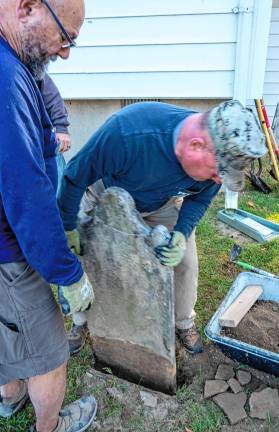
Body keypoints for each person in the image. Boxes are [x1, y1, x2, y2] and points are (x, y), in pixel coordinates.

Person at [58, 100, 266, 355]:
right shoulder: (128, 133)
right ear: (195, 146)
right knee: (86, 252)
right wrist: (69, 226)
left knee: (186, 261)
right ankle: (80, 321)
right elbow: (74, 176)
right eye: (215, 173)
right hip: (107, 195)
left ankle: (183, 322)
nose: (217, 181)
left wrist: (181, 233)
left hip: (160, 203)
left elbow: (199, 198)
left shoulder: (215, 158)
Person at [0, 1, 97, 431]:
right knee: (50, 352)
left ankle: (9, 395)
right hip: (11, 250)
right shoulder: (6, 80)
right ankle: (51, 426)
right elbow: (28, 195)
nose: (65, 52)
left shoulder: (14, 65)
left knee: (6, 328)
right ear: (28, 8)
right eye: (65, 37)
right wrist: (67, 273)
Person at [39, 72, 88, 354]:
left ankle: (71, 301)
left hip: (45, 153)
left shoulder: (18, 58)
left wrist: (60, 126)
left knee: (58, 221)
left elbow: (46, 88)